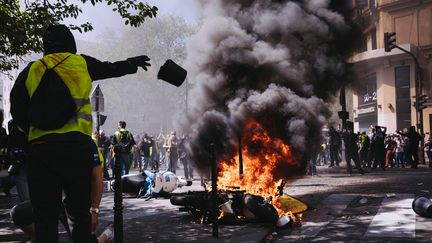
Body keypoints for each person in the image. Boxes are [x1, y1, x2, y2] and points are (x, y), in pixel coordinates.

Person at [9, 24, 150, 242]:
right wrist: (132, 63)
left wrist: (32, 134)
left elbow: (16, 109)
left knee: (44, 218)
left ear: (45, 46)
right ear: (71, 43)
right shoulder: (81, 63)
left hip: (41, 151)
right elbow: (111, 68)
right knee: (79, 218)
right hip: (76, 149)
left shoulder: (32, 69)